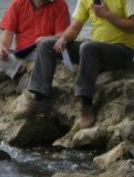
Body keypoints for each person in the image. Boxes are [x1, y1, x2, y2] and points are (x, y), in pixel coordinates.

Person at [13, 0, 134, 128]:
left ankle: (86, 106)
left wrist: (107, 15)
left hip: (124, 50)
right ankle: (39, 99)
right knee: (46, 44)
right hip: (96, 50)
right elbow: (75, 27)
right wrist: (63, 39)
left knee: (88, 47)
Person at [0, 0, 71, 79]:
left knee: (45, 46)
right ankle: (22, 67)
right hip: (21, 53)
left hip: (42, 51)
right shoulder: (17, 3)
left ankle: (15, 70)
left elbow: (62, 37)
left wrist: (45, 39)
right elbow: (8, 32)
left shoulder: (60, 4)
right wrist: (3, 49)